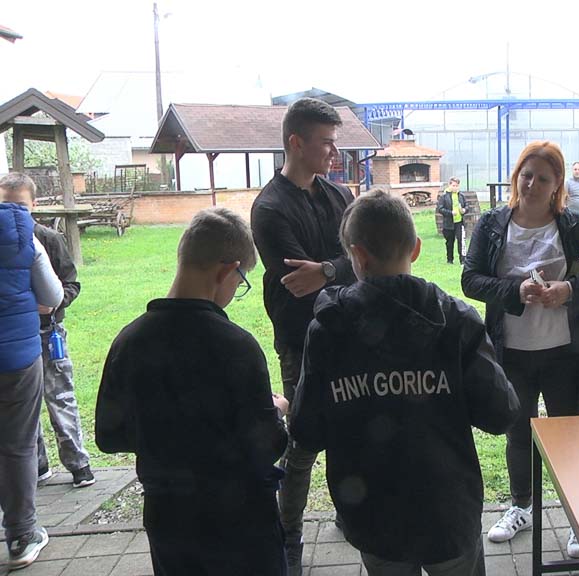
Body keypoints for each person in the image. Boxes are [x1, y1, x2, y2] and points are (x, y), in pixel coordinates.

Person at [290, 190, 519, 576]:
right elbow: (502, 413)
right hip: (448, 510)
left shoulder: (329, 329)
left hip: (373, 516)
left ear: (357, 256)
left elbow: (306, 429)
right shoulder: (456, 320)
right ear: (415, 248)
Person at [95, 207, 290, 576]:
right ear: (226, 272)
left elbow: (108, 436)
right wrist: (276, 411)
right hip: (240, 521)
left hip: (169, 519)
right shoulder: (237, 347)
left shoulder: (130, 341)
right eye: (241, 282)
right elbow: (267, 445)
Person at [461, 141, 579, 559]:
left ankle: (576, 521)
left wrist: (569, 289)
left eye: (542, 178)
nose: (531, 184)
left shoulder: (573, 225)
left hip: (567, 353)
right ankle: (521, 507)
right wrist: (515, 290)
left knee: (572, 438)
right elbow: (470, 280)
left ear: (557, 184)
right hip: (511, 351)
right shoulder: (493, 224)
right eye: (525, 175)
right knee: (519, 432)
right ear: (516, 176)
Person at [251, 97, 357, 575]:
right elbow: (298, 282)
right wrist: (344, 267)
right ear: (296, 142)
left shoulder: (340, 196)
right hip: (302, 342)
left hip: (350, 333)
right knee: (302, 441)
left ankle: (349, 513)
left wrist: (329, 269)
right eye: (326, 142)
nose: (334, 152)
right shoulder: (269, 209)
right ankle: (288, 533)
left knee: (350, 433)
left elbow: (363, 256)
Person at [0, 173, 94, 490]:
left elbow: (71, 283)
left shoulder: (48, 239)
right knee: (25, 405)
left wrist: (54, 304)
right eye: (6, 204)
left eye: (20, 205)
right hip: (15, 341)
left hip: (49, 333)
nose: (13, 211)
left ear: (34, 205)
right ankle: (38, 466)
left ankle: (79, 464)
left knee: (60, 397)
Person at [1, 198, 62, 570]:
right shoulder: (20, 231)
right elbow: (53, 296)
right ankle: (22, 536)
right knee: (18, 445)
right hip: (17, 358)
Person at [436, 177, 468, 264]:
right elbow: (440, 209)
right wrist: (450, 213)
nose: (455, 187)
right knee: (450, 242)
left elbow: (466, 206)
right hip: (448, 223)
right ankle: (450, 260)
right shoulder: (444, 196)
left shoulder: (461, 196)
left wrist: (464, 210)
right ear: (449, 185)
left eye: (457, 186)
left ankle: (463, 260)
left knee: (461, 241)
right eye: (453, 185)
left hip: (459, 222)